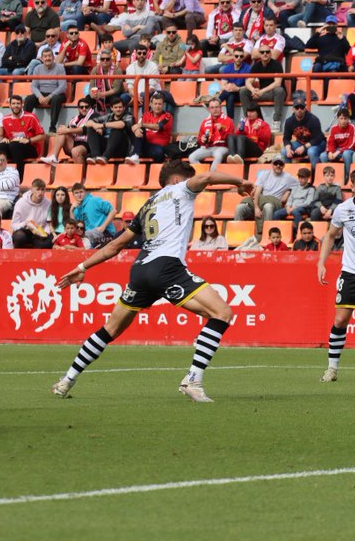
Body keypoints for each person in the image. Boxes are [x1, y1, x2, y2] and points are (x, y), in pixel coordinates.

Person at [51, 160, 253, 402]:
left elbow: (115, 245)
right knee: (222, 313)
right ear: (178, 180)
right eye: (188, 180)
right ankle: (193, 379)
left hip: (140, 270)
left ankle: (66, 380)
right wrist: (240, 182)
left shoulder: (147, 206)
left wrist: (82, 266)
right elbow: (206, 178)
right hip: (167, 267)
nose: (194, 188)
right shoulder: (181, 190)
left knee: (110, 329)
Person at [234, 158, 298, 225]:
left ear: (284, 165)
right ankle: (236, 232)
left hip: (274, 204)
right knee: (240, 208)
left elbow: (301, 185)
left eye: (280, 164)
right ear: (272, 164)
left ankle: (266, 232)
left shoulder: (288, 177)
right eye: (276, 163)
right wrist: (256, 207)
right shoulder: (264, 174)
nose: (278, 165)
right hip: (261, 202)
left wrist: (288, 191)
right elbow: (257, 192)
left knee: (268, 206)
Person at [0, 94, 45, 181]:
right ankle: (2, 176)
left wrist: (29, 140)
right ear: (10, 105)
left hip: (30, 147)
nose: (16, 106)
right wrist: (5, 138)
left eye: (18, 103)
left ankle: (19, 178)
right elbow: (6, 136)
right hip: (14, 147)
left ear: (22, 104)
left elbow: (42, 136)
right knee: (2, 146)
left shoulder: (31, 117)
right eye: (13, 103)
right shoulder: (5, 119)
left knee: (14, 145)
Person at [241, 45, 285, 132]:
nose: (265, 54)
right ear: (259, 54)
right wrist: (253, 90)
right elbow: (248, 82)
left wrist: (261, 91)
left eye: (267, 52)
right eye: (262, 52)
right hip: (261, 93)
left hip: (273, 93)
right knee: (243, 91)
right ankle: (248, 119)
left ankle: (276, 121)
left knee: (279, 90)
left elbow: (277, 83)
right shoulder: (256, 65)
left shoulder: (277, 64)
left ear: (270, 53)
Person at [25, 48, 67, 133]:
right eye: (45, 56)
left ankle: (52, 127)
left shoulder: (60, 68)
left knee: (56, 99)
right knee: (29, 99)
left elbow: (63, 86)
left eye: (49, 56)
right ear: (42, 58)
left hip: (56, 93)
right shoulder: (37, 68)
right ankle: (25, 125)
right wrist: (39, 96)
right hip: (42, 93)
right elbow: (34, 86)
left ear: (53, 57)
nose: (47, 58)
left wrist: (49, 97)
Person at [82, 98, 134, 164]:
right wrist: (95, 126)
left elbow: (121, 124)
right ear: (112, 108)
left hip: (121, 147)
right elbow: (87, 123)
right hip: (107, 145)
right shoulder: (109, 116)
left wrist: (102, 125)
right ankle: (95, 156)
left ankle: (106, 157)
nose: (118, 109)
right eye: (115, 107)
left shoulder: (129, 116)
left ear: (124, 108)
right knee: (91, 128)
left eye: (120, 107)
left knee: (117, 130)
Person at [190, 98, 234, 171]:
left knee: (218, 155)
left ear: (221, 108)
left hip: (222, 147)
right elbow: (200, 139)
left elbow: (230, 139)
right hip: (207, 147)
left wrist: (221, 130)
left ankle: (211, 176)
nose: (215, 109)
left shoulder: (228, 120)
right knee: (192, 157)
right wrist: (202, 139)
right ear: (209, 109)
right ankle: (205, 175)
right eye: (212, 107)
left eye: (217, 107)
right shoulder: (205, 121)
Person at [10, 177, 52, 248]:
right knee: (19, 237)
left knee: (46, 242)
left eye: (42, 190)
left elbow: (49, 223)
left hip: (40, 231)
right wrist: (25, 224)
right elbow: (14, 224)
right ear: (32, 189)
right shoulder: (21, 203)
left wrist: (46, 232)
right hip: (25, 230)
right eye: (38, 189)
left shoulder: (48, 203)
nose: (40, 192)